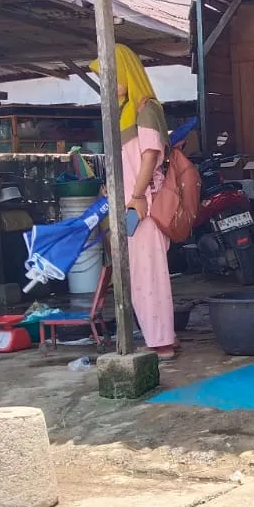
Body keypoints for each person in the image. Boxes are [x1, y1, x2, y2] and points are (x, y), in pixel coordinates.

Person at [91, 44, 177, 360]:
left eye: (112, 75)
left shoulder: (145, 109)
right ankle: (160, 337)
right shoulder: (125, 112)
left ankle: (162, 343)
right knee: (139, 276)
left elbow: (150, 156)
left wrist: (137, 196)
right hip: (130, 204)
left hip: (144, 204)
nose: (108, 83)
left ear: (127, 72)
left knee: (148, 274)